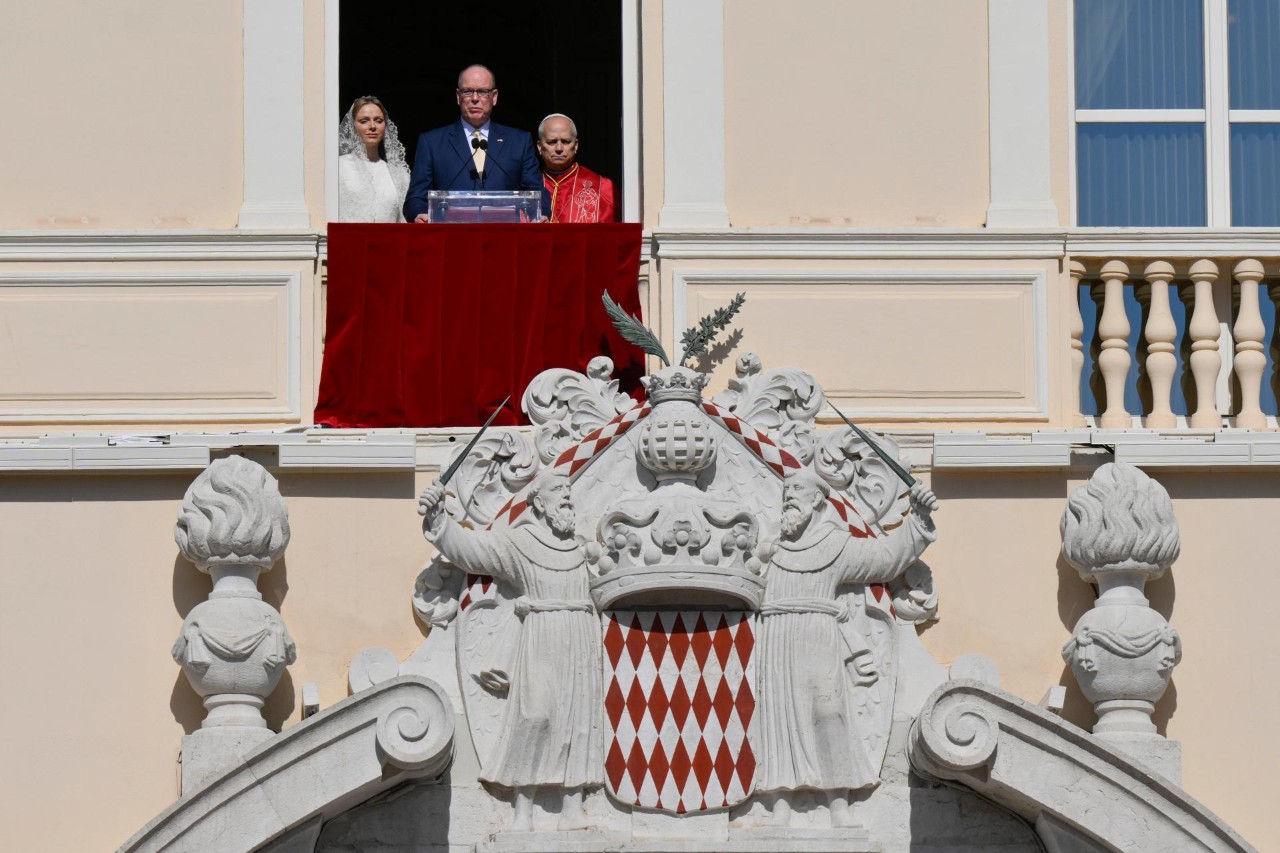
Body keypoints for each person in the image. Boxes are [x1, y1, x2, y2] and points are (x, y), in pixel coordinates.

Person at [418, 470, 602, 832]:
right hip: (541, 636)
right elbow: (474, 551)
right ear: (539, 503)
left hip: (580, 639)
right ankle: (523, 808)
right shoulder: (522, 542)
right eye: (558, 491)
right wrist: (439, 518)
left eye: (568, 490)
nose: (566, 496)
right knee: (534, 717)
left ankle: (572, 806)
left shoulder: (581, 549)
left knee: (577, 722)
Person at [755, 468, 937, 828]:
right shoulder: (772, 550)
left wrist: (918, 519)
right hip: (776, 638)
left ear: (816, 499)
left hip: (819, 637)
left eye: (797, 489)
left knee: (829, 714)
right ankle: (780, 800)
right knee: (779, 719)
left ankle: (838, 800)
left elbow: (884, 558)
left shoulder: (835, 546)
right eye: (786, 490)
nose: (789, 496)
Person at [403, 65, 548, 222]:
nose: (475, 98)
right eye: (467, 91)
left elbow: (537, 194)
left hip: (505, 234)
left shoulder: (520, 141)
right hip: (451, 233)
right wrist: (419, 213)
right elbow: (415, 198)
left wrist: (542, 214)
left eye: (483, 92)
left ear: (494, 97)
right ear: (458, 96)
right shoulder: (431, 142)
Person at [337, 96, 409, 223]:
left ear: (385, 125)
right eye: (364, 121)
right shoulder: (338, 167)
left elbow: (402, 220)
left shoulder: (399, 175)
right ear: (353, 125)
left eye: (378, 121)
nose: (372, 126)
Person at [536, 114, 616, 223]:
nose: (559, 148)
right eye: (552, 142)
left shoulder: (604, 188)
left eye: (566, 142)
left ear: (576, 145)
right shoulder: (527, 186)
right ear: (540, 146)